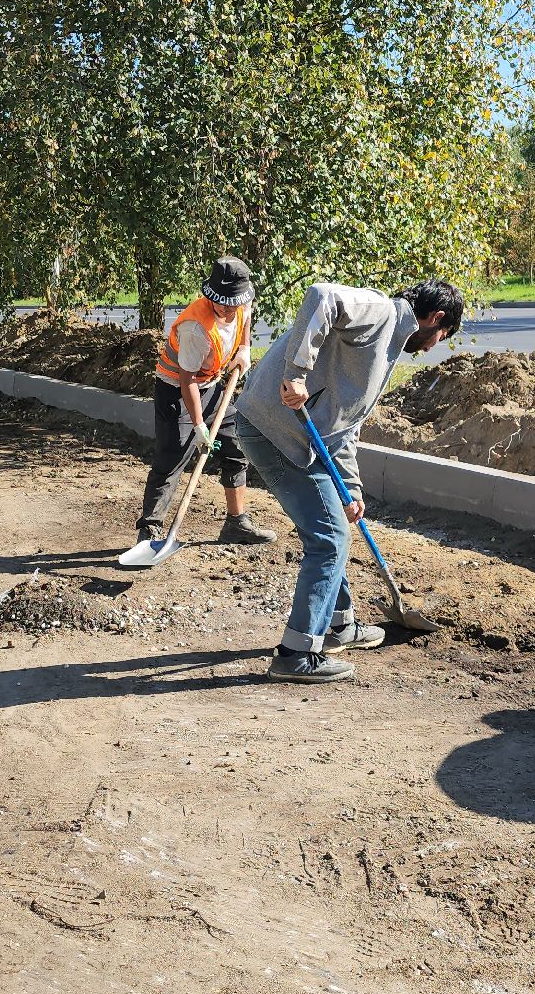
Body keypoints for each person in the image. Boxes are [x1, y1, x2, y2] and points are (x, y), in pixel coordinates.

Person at [236, 278, 464, 683]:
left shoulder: (390, 345)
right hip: (275, 428)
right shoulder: (380, 312)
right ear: (436, 318)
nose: (432, 347)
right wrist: (296, 373)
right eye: (441, 337)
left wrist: (350, 488)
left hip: (298, 434)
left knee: (338, 523)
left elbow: (344, 426)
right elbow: (323, 296)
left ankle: (339, 625)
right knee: (329, 538)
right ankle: (296, 654)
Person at [136, 257, 276, 547]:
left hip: (212, 386)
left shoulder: (242, 301)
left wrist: (245, 347)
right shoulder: (195, 328)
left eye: (232, 302)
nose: (226, 308)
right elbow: (186, 380)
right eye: (220, 301)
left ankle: (236, 523)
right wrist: (199, 425)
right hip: (176, 389)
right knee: (173, 455)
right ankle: (149, 530)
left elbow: (246, 315)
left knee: (236, 447)